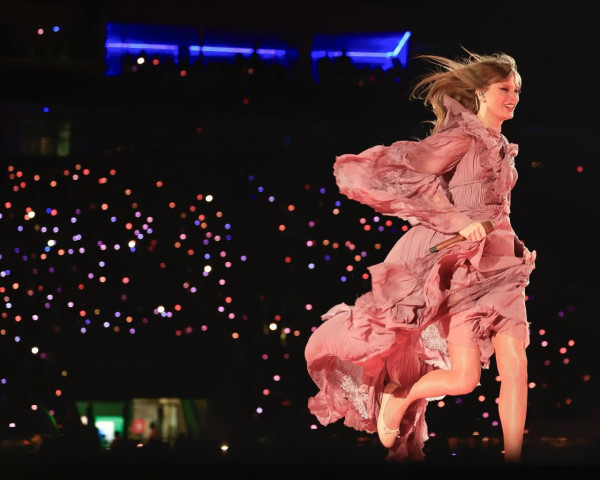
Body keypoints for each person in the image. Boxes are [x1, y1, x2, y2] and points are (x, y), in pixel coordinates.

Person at [305, 49, 535, 463]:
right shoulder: (463, 137)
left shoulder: (502, 145)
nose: (513, 96)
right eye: (505, 88)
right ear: (481, 93)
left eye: (517, 89)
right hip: (467, 266)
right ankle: (400, 395)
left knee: (516, 365)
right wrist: (457, 220)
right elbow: (412, 173)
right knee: (464, 379)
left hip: (505, 261)